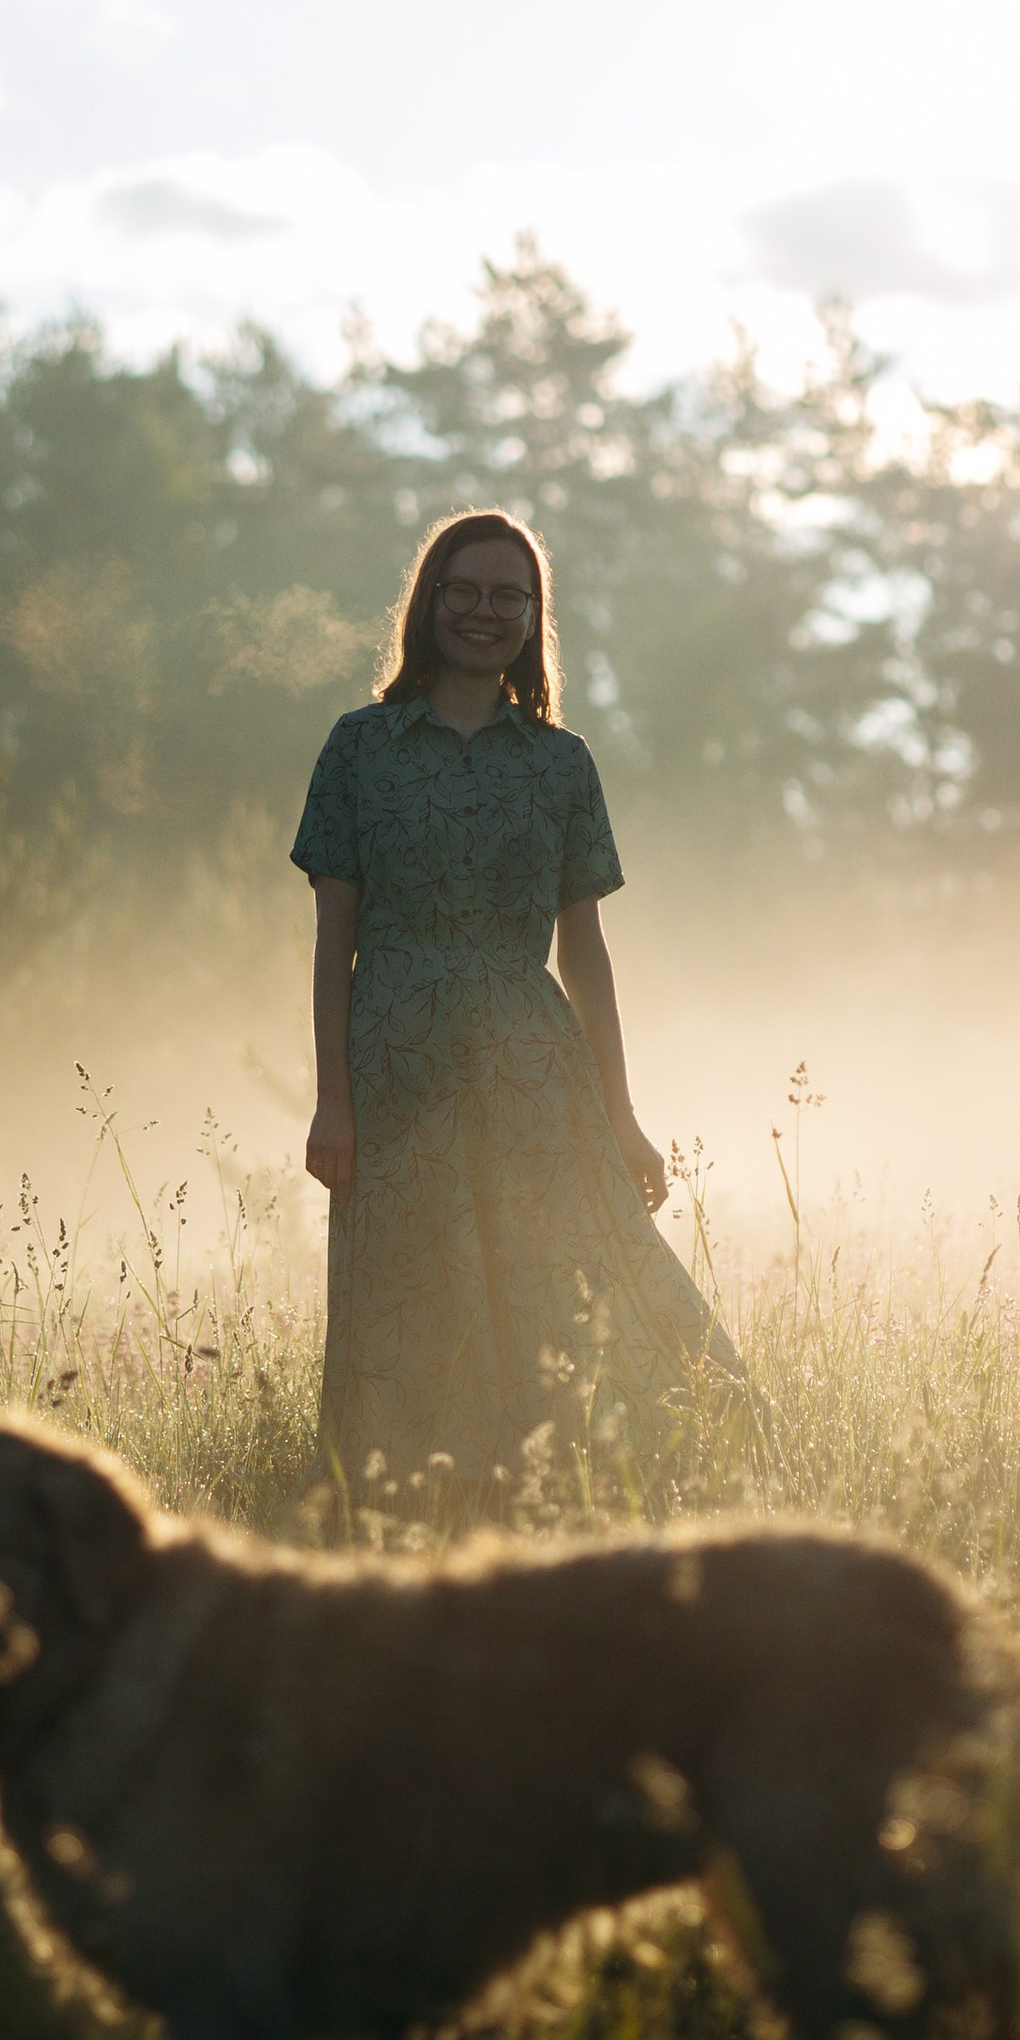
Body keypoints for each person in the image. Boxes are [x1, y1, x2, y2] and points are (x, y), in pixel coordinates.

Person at [291, 507, 748, 1503]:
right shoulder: (359, 748)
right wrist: (333, 1099)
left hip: (530, 1061)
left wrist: (620, 1116)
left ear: (533, 615)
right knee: (408, 1288)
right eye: (464, 590)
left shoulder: (559, 763)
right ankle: (403, 1499)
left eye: (509, 595)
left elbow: (584, 952)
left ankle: (632, 1472)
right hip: (395, 1059)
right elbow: (335, 940)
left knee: (572, 1265)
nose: (483, 611)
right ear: (428, 604)